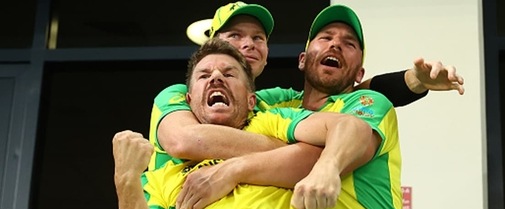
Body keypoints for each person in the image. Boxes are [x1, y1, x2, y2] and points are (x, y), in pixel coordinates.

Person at [177, 5, 423, 209]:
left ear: (360, 74)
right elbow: (218, 108)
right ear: (302, 59)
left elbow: (354, 130)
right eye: (325, 37)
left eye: (349, 43)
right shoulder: (274, 108)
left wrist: (327, 166)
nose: (335, 44)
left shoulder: (367, 101)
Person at [114, 38, 379, 209]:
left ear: (252, 100)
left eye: (229, 74)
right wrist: (126, 182)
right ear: (189, 101)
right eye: (204, 75)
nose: (216, 77)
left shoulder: (273, 123)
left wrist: (327, 167)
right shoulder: (165, 170)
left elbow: (352, 127)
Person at [150, 1, 465, 172]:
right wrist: (296, 153)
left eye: (258, 38)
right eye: (235, 37)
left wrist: (414, 81)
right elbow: (185, 139)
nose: (248, 45)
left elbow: (363, 94)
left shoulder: (273, 104)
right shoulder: (180, 96)